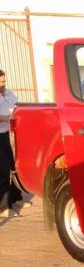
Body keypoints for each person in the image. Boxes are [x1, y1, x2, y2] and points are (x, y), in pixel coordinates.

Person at [0, 69, 23, 217]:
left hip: (6, 134)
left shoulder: (9, 93)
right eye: (0, 81)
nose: (3, 84)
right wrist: (8, 117)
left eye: (4, 81)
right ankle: (3, 206)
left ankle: (15, 197)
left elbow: (18, 109)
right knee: (2, 170)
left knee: (13, 166)